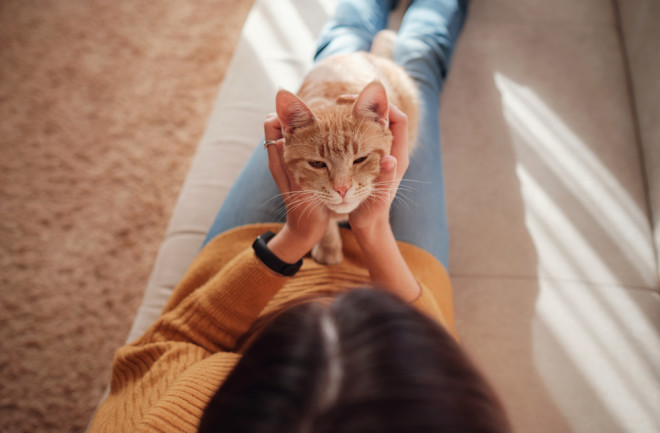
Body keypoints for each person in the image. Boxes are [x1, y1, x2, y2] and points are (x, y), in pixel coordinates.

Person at [88, 0, 512, 432]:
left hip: (271, 251)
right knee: (420, 62)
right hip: (401, 274)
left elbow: (172, 342)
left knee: (332, 65)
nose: (343, 188)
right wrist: (374, 230)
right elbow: (434, 352)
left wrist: (294, 236)